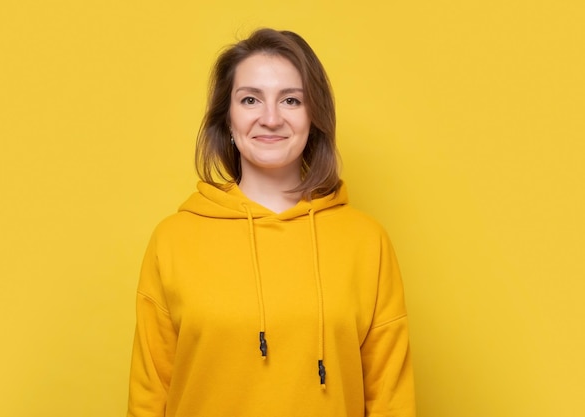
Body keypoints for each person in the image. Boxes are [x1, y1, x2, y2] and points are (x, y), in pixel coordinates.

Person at [127, 28, 415, 417]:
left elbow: (391, 398)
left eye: (291, 100)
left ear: (313, 117)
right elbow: (149, 395)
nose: (271, 118)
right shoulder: (173, 240)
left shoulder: (367, 242)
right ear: (227, 119)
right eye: (250, 99)